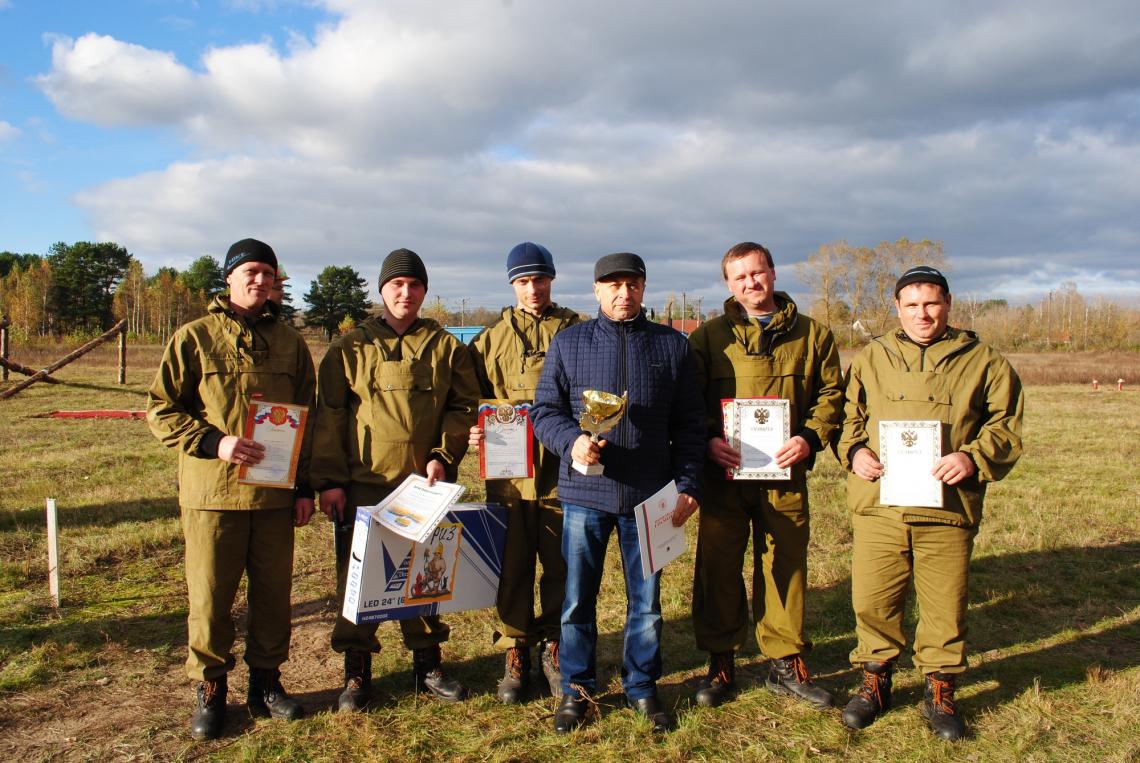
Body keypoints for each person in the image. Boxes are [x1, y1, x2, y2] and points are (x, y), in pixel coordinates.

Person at [837, 265, 1024, 741]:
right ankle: (875, 682)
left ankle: (940, 688)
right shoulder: (872, 357)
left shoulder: (983, 360)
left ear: (948, 304)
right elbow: (846, 419)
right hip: (880, 505)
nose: (923, 314)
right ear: (897, 308)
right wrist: (855, 452)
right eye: (912, 305)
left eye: (932, 304)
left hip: (947, 507)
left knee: (945, 604)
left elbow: (1005, 425)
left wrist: (971, 455)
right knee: (873, 599)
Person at [147, 238, 315, 741]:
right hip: (211, 494)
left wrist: (305, 486)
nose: (260, 280)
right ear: (229, 278)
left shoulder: (290, 343)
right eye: (250, 271)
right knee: (211, 595)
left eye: (268, 272)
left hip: (274, 496)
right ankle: (211, 687)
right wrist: (215, 443)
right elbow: (161, 409)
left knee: (272, 595)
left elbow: (309, 417)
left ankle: (266, 682)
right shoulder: (194, 337)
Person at [530, 252, 705, 734]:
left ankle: (642, 686)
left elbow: (691, 424)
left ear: (644, 289)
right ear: (596, 290)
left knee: (646, 603)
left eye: (632, 284)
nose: (623, 293)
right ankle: (576, 689)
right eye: (612, 284)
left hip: (651, 497)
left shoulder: (673, 347)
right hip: (586, 494)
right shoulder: (569, 344)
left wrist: (688, 485)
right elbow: (544, 411)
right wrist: (573, 443)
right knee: (576, 599)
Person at [310, 248, 480, 711]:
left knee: (427, 573)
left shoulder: (446, 347)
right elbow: (329, 415)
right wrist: (328, 481)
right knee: (358, 577)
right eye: (397, 285)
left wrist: (444, 455)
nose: (406, 293)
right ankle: (356, 672)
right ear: (382, 290)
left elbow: (463, 407)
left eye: (415, 285)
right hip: (363, 485)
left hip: (424, 486)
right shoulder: (350, 347)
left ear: (425, 291)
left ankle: (427, 664)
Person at [686, 242, 844, 710]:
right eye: (740, 278)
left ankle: (785, 661)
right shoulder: (709, 338)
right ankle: (721, 660)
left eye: (757, 273)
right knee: (718, 568)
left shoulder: (814, 336)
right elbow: (689, 405)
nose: (750, 283)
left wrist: (810, 439)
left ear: (773, 273)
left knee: (785, 566)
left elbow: (831, 395)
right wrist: (708, 440)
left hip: (784, 476)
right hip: (724, 476)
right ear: (729, 285)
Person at [467, 243, 581, 703]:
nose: (532, 289)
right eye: (522, 281)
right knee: (512, 566)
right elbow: (469, 401)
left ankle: (555, 645)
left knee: (560, 563)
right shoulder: (489, 339)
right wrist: (472, 432)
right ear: (512, 284)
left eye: (540, 279)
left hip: (564, 473)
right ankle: (515, 647)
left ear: (552, 279)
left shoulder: (577, 331)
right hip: (508, 475)